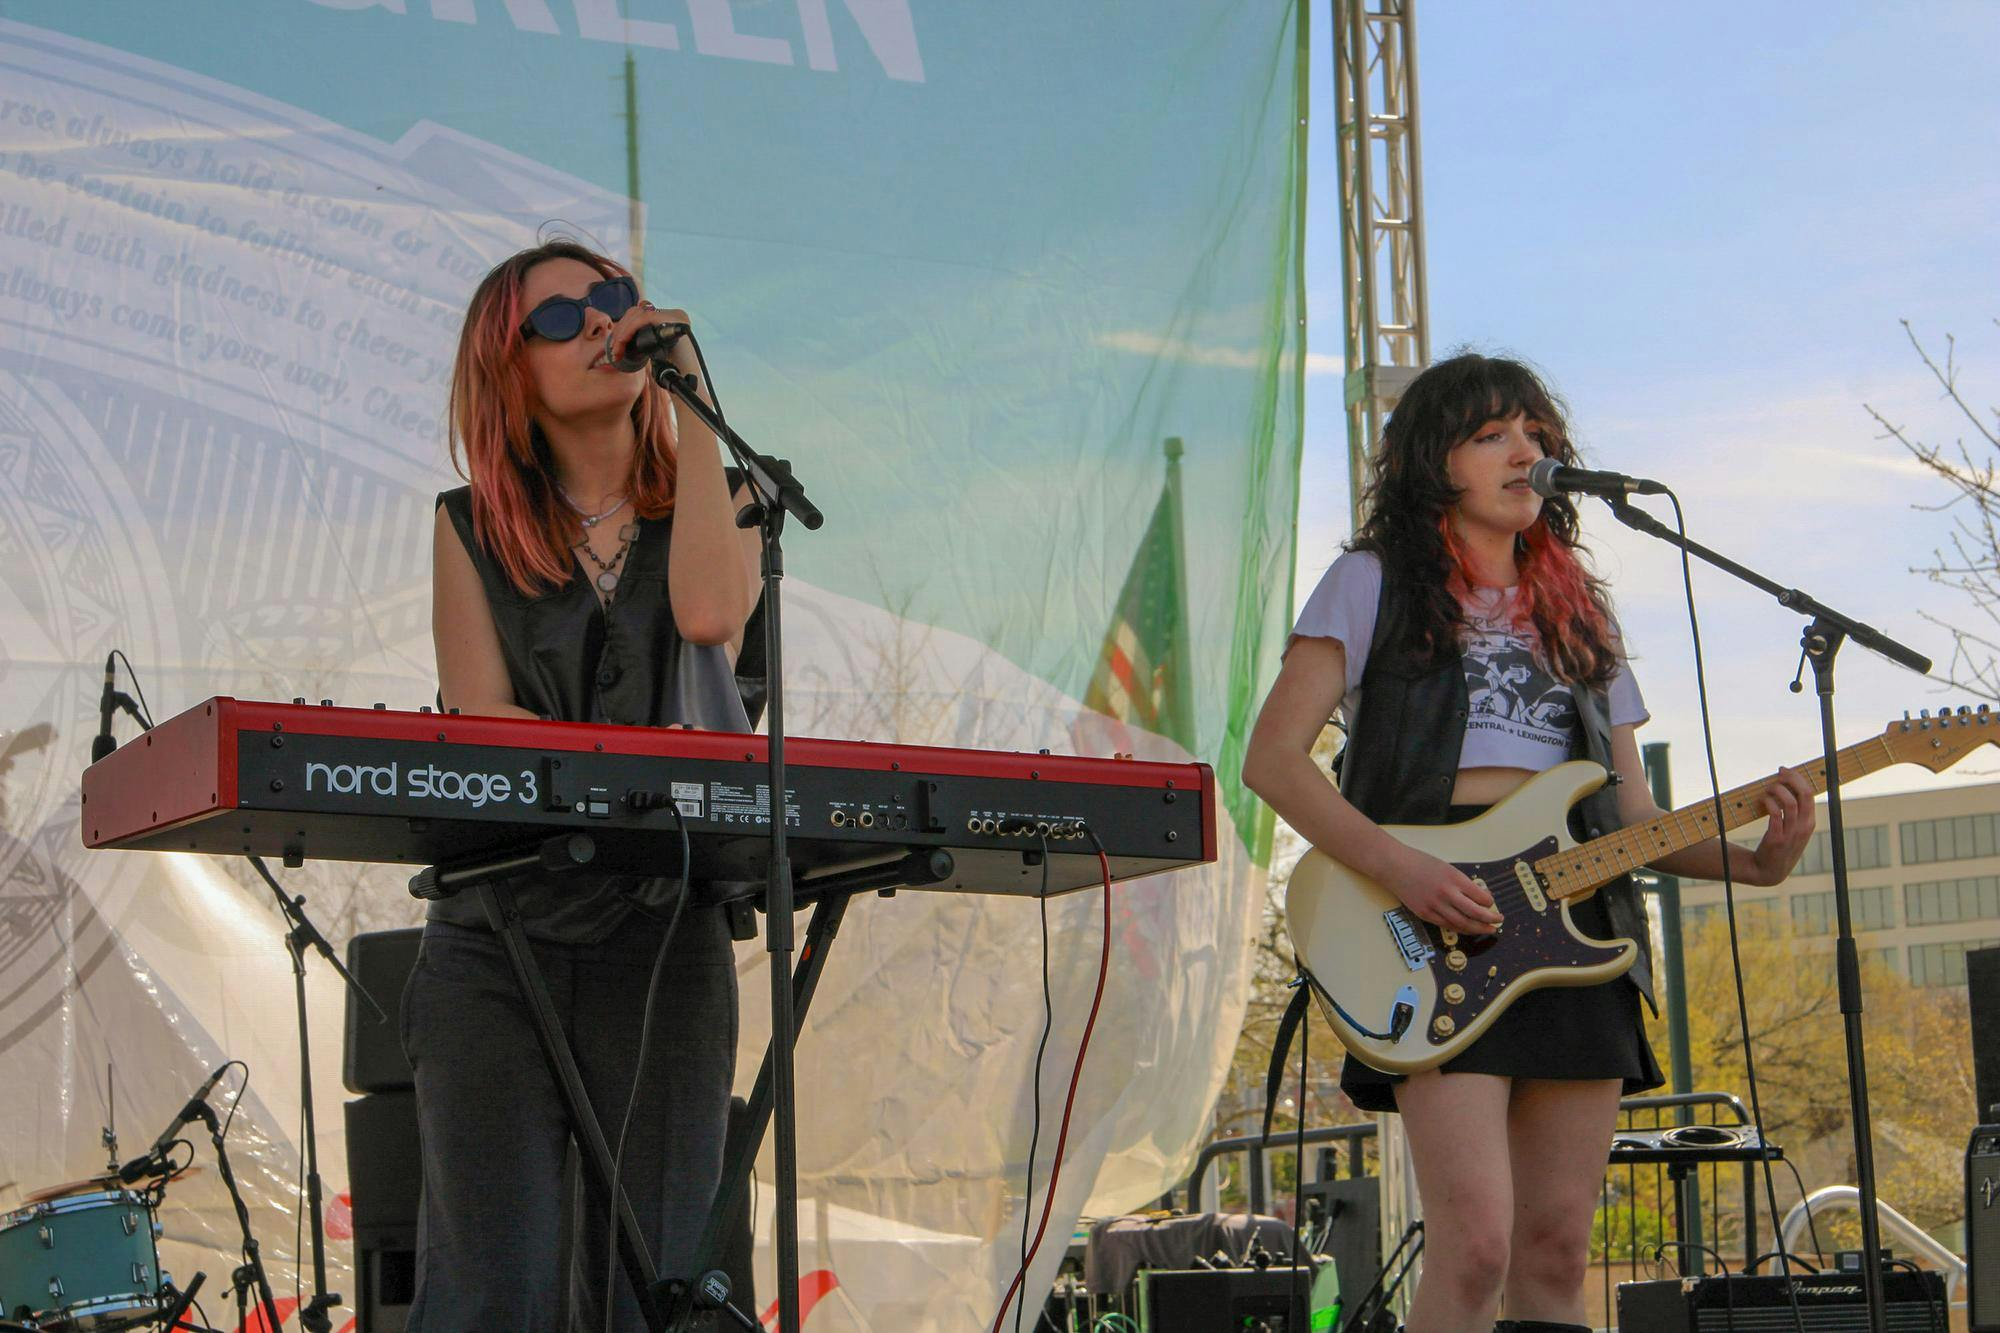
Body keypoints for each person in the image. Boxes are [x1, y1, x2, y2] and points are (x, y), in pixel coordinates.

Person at [1241, 353, 1816, 1333]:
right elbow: (1272, 761)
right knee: (1473, 1250)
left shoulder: (1579, 615)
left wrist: (1751, 856)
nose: (1525, 451)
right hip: (1427, 917)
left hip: (1575, 929)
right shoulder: (1369, 581)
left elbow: (1625, 813)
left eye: (1536, 434)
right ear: (1435, 459)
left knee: (1555, 1251)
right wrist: (1405, 871)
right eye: (1491, 434)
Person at [405, 238, 760, 1330]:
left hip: (664, 934)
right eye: (559, 319)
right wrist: (641, 761)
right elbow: (480, 719)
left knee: (650, 1286)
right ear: (508, 370)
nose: (602, 324)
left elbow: (706, 617)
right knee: (490, 1288)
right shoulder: (466, 524)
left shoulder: (726, 495)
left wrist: (694, 402)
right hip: (495, 940)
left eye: (611, 300)